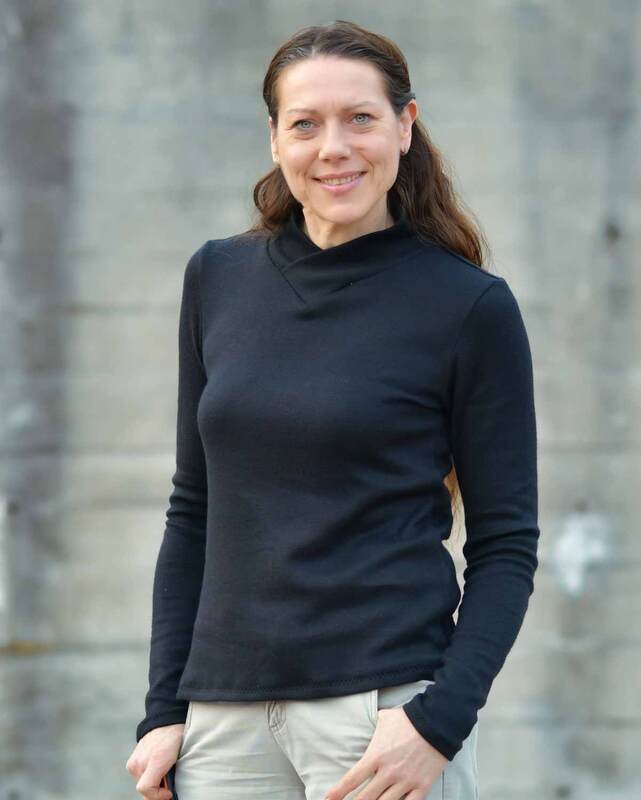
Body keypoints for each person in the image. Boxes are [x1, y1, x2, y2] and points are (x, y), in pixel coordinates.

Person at [126, 19, 539, 800]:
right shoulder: (218, 277)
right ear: (274, 138)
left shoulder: (468, 307)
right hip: (224, 720)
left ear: (404, 126)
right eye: (305, 124)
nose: (334, 148)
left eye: (360, 119)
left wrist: (436, 724)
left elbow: (505, 545)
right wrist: (164, 711)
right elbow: (194, 509)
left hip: (382, 715)